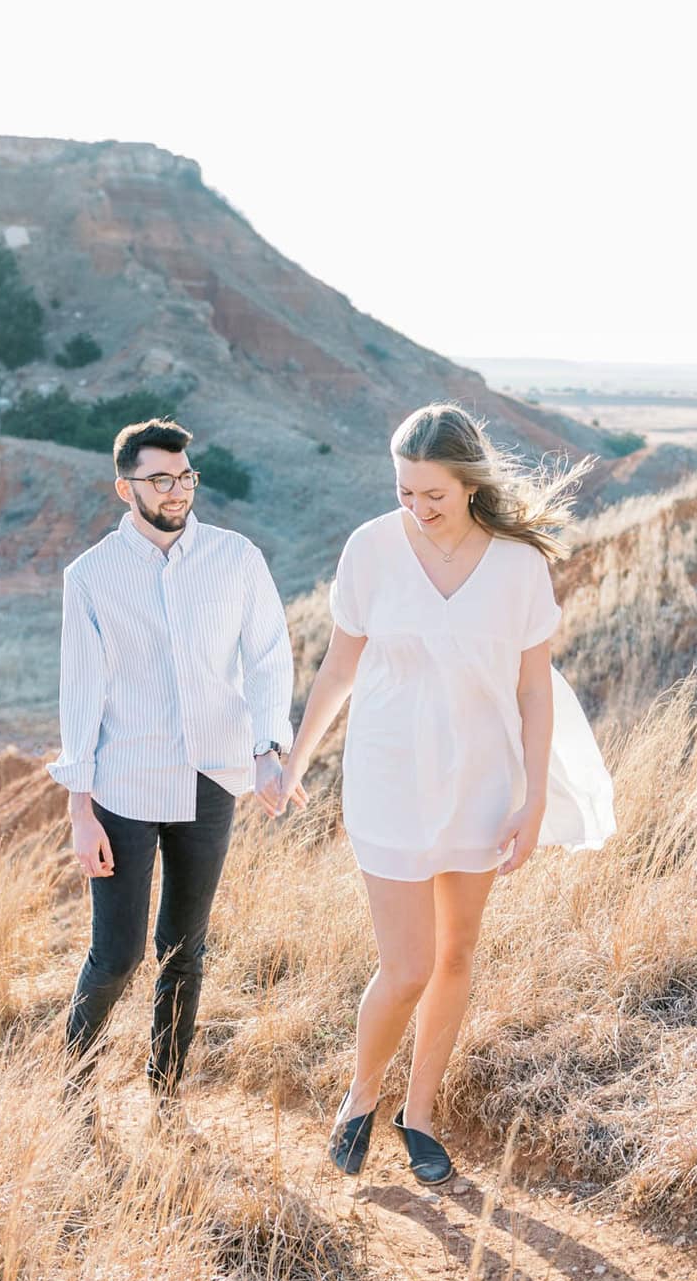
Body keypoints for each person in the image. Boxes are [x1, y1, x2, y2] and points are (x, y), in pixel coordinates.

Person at [282, 402, 615, 1184]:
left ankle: (419, 1114)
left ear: (469, 485)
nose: (416, 509)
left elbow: (535, 691)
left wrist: (532, 799)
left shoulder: (518, 564)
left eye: (431, 495)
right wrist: (297, 759)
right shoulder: (370, 549)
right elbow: (339, 669)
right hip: (389, 775)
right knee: (406, 965)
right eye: (404, 492)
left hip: (482, 782)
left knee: (456, 954)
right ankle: (360, 1097)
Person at [49, 418, 294, 1115]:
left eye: (185, 476)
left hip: (213, 778)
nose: (177, 490)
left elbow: (269, 656)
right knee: (118, 955)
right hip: (124, 786)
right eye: (160, 478)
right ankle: (74, 1092)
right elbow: (81, 694)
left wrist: (268, 750)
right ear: (124, 487)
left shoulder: (236, 557)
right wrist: (80, 809)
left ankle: (166, 1095)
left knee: (185, 949)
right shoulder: (92, 576)